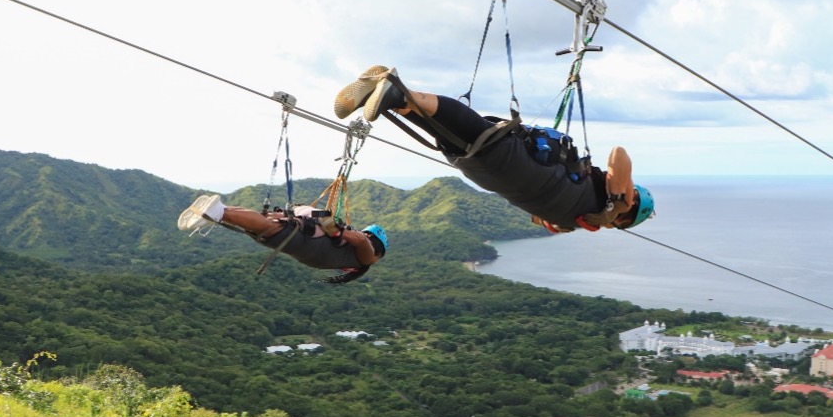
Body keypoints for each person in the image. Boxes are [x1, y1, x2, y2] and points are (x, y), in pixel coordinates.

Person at [333, 65, 655, 233]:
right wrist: (613, 204)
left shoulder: (601, 210)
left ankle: (393, 94)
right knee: (463, 138)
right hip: (503, 174)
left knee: (463, 134)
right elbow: (617, 156)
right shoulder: (600, 210)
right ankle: (393, 95)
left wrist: (607, 205)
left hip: (516, 170)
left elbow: (616, 157)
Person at [177, 194, 388, 281]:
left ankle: (220, 212)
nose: (363, 236)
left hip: (311, 243)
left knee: (269, 227)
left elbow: (360, 241)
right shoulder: (353, 257)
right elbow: (358, 240)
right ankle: (219, 211)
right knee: (267, 226)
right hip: (310, 247)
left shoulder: (367, 257)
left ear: (376, 252)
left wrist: (339, 232)